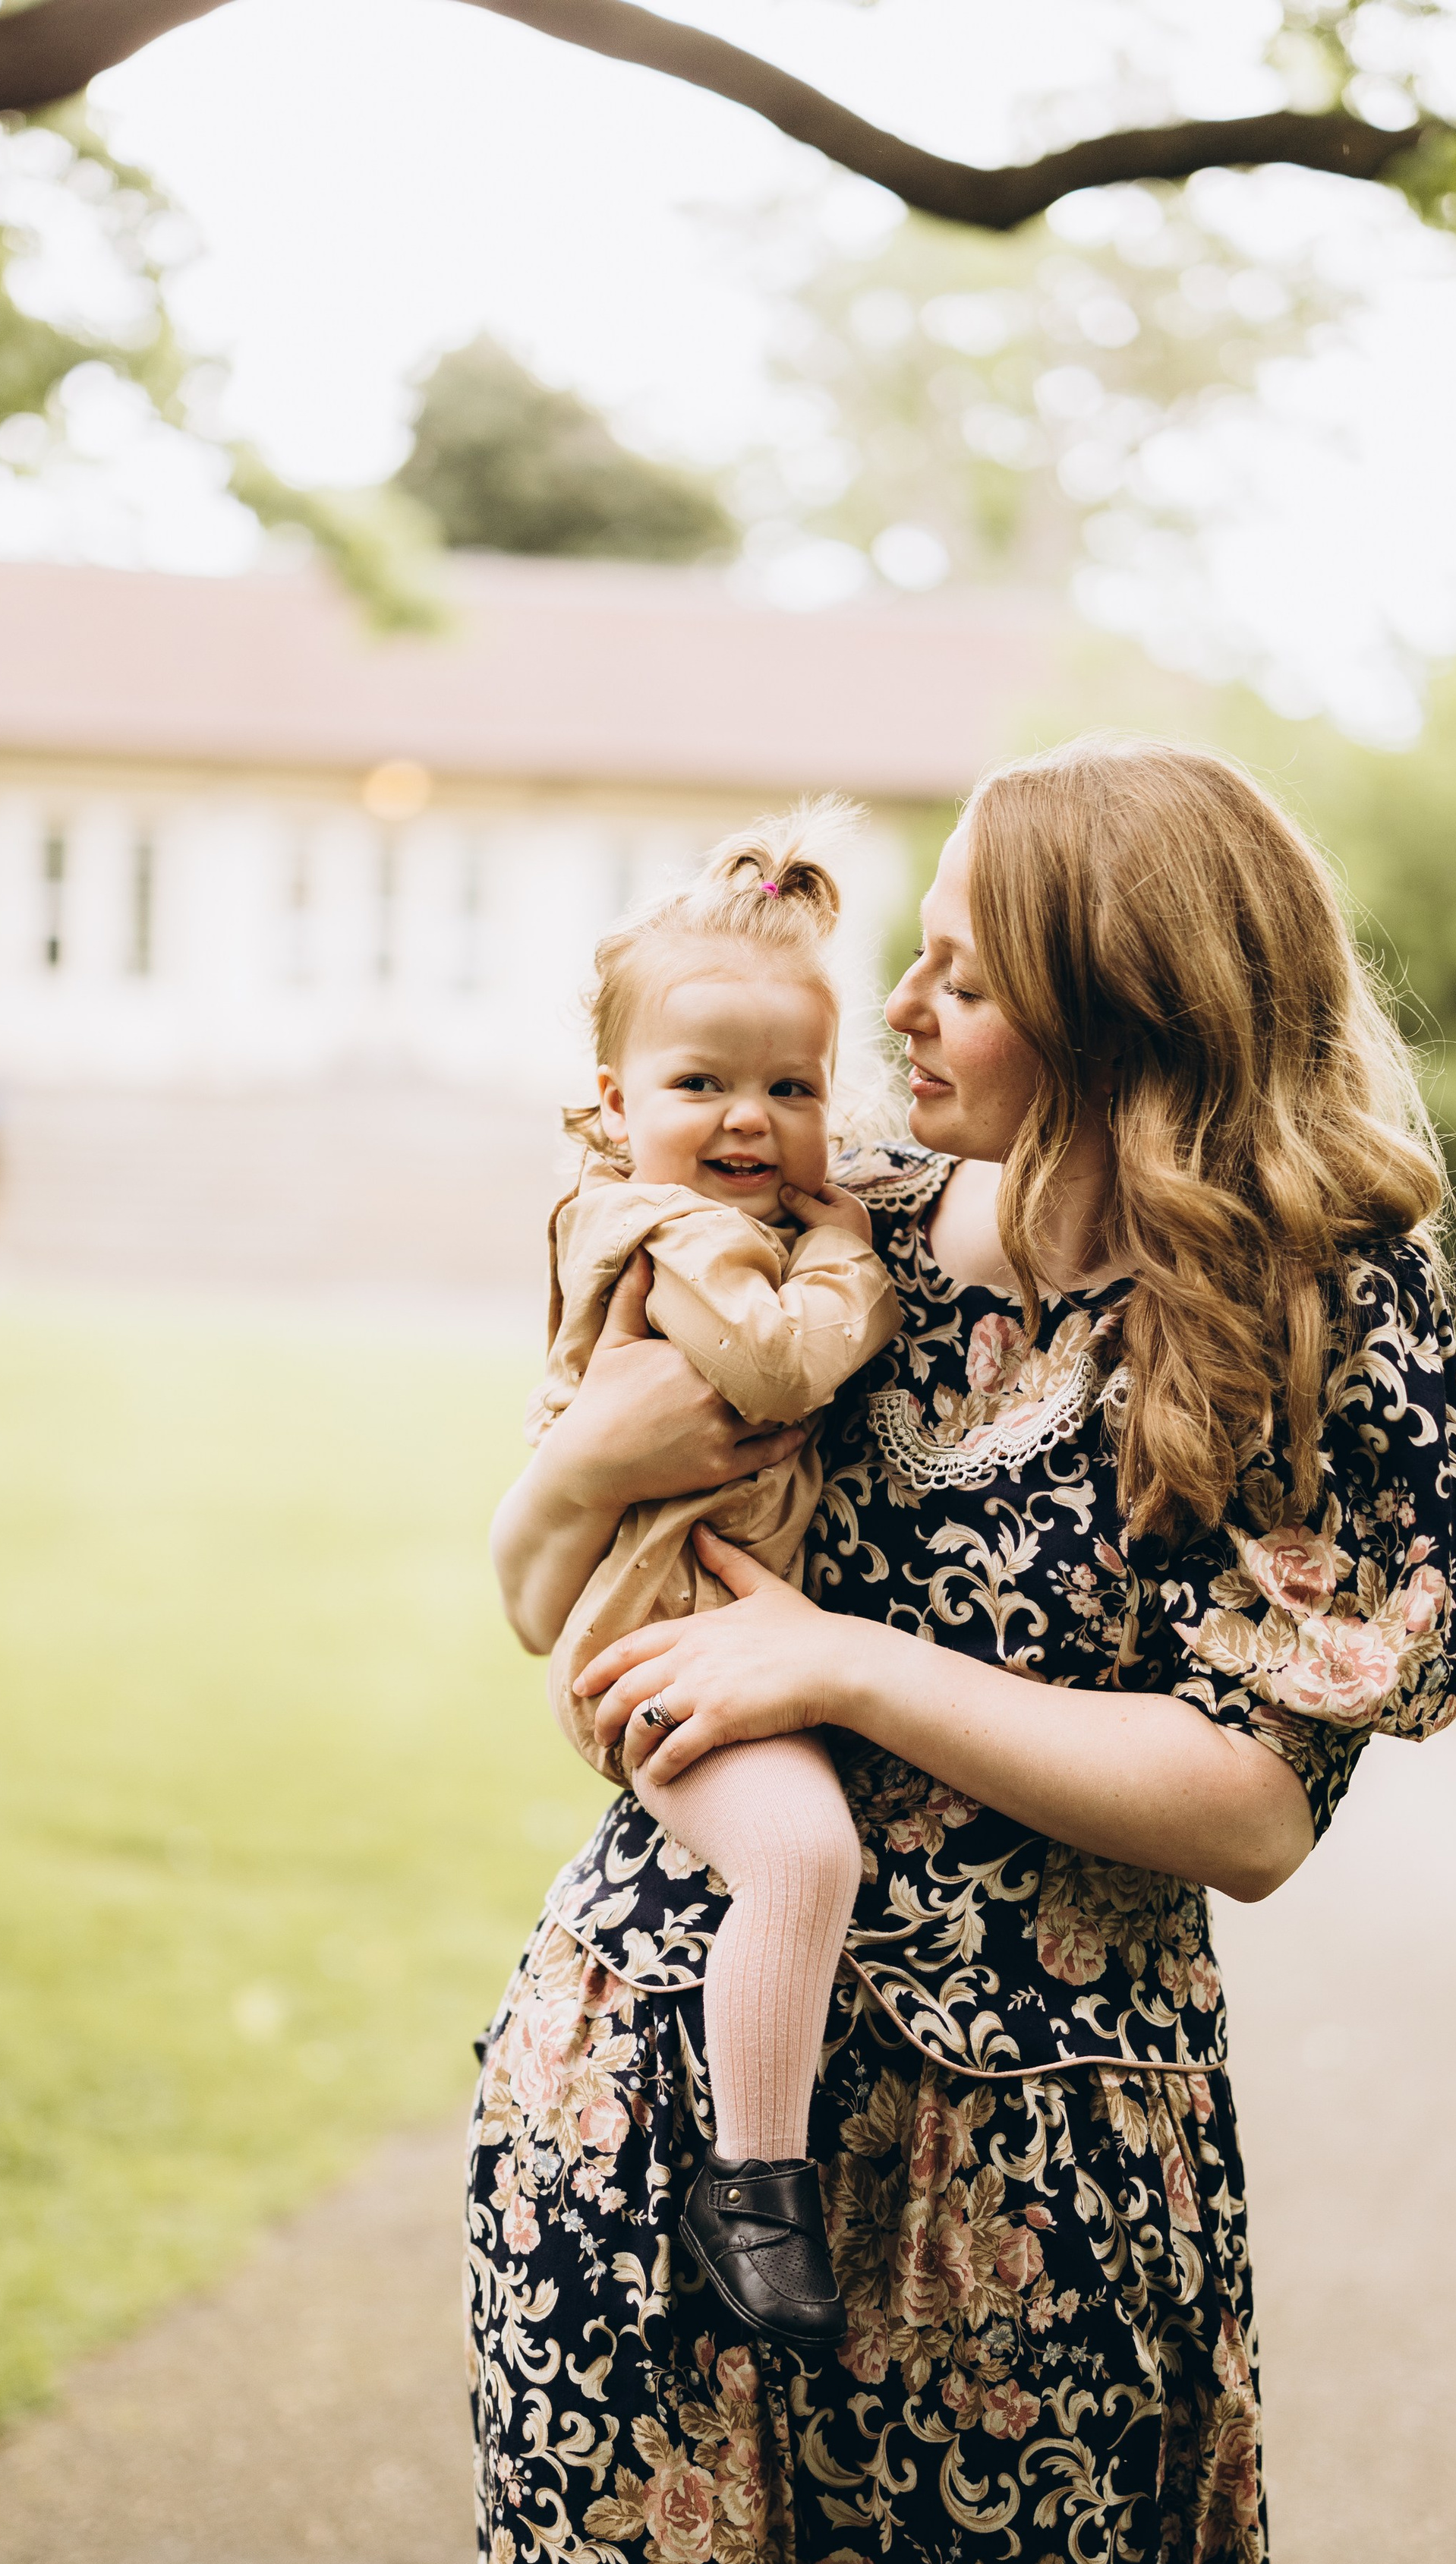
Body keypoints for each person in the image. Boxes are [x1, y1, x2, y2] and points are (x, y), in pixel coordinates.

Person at [473, 736, 1456, 2564]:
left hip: (1020, 2185)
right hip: (645, 2088)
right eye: (908, 967)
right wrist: (558, 1490)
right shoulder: (859, 1239)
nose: (892, 1023)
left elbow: (1251, 1803)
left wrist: (846, 1665)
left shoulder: (1315, 1299)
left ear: (1122, 1008)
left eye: (960, 978)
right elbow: (574, 1594)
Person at [525, 806, 901, 2347]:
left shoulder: (701, 1208)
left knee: (802, 1858)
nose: (748, 1122)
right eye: (701, 1086)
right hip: (655, 1637)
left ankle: (751, 2172)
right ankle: (752, 2188)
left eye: (789, 1088)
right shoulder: (673, 1231)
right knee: (804, 1861)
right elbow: (773, 1369)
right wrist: (848, 1261)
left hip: (693, 1617)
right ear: (616, 1105)